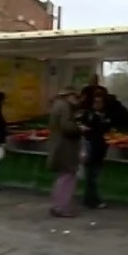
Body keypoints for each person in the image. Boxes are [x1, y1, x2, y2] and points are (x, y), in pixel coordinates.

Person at [48, 87, 88, 217]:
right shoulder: (65, 106)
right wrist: (79, 128)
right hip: (66, 147)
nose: (76, 99)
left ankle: (56, 205)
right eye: (74, 96)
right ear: (69, 95)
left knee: (62, 178)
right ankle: (62, 207)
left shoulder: (56, 105)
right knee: (68, 178)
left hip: (59, 145)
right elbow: (67, 126)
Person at [81, 94, 111, 209]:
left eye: (100, 102)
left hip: (98, 149)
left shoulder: (102, 115)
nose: (98, 104)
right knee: (92, 176)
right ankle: (93, 200)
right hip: (93, 149)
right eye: (96, 102)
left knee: (92, 176)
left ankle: (89, 199)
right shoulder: (90, 115)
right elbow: (88, 131)